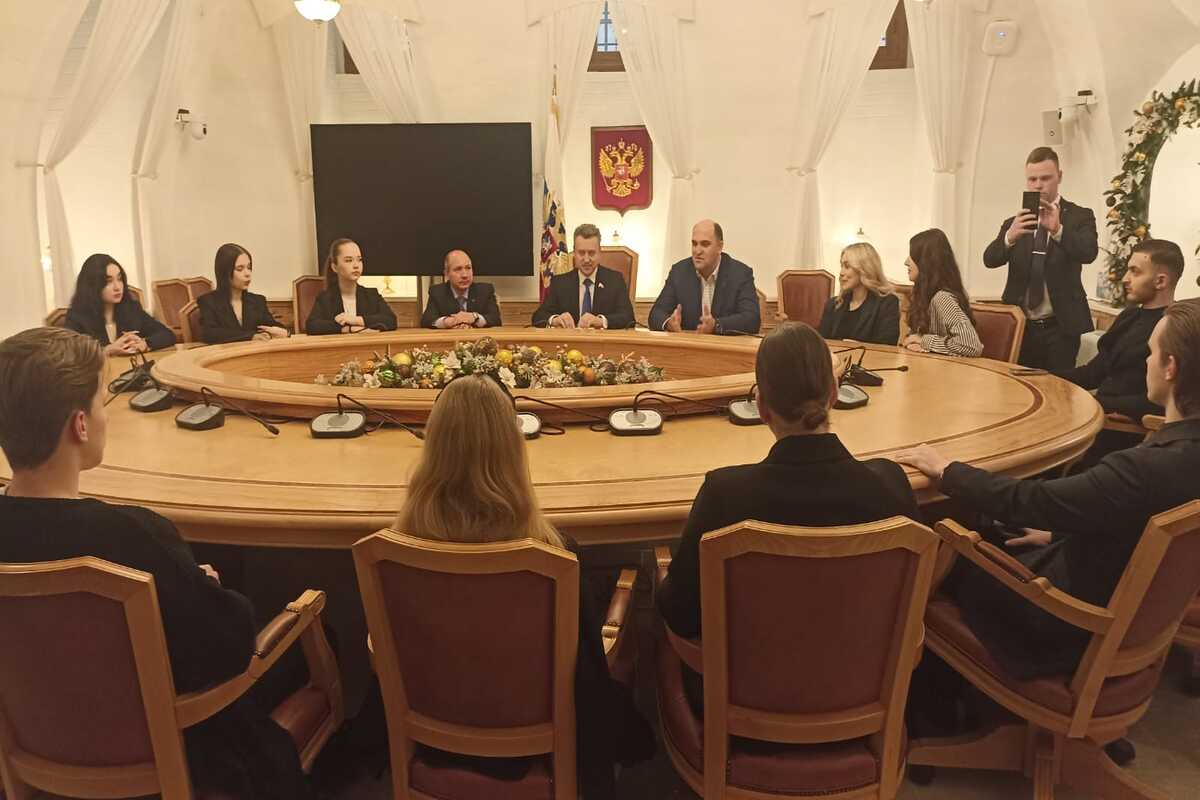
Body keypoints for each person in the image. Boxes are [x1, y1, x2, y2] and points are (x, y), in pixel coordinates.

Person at [0, 327, 314, 799]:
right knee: (310, 640)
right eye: (102, 402)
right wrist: (200, 588)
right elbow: (228, 649)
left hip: (33, 750)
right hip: (172, 755)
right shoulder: (135, 535)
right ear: (80, 425)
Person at [897, 298, 1200, 679]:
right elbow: (1128, 521)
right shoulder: (1178, 457)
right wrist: (1057, 532)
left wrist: (947, 470)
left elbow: (1030, 500)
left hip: (1064, 627)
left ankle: (928, 690)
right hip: (1126, 611)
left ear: (1170, 367)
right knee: (1000, 533)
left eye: (1151, 353)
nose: (1146, 362)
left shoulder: (1143, 469)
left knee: (940, 550)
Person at [395, 373, 654, 798]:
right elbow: (587, 680)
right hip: (537, 756)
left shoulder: (393, 555)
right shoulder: (555, 556)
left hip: (432, 746)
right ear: (513, 448)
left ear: (433, 445)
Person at [657, 322, 920, 642]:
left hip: (749, 674)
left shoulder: (724, 494)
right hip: (868, 670)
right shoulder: (890, 482)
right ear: (834, 394)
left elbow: (681, 615)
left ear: (761, 407)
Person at [1056, 238, 1183, 467]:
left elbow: (1159, 401)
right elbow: (1093, 373)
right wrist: (1044, 377)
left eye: (1135, 271)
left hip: (1126, 435)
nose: (1125, 278)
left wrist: (1092, 403)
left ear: (1160, 281)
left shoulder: (1174, 327)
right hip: (1097, 420)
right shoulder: (1129, 316)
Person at [983, 146, 1099, 371]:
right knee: (1016, 385)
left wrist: (1058, 230)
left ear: (1059, 177)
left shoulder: (1080, 216)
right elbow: (990, 259)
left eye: (1045, 178)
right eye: (1032, 179)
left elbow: (1088, 253)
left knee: (1058, 387)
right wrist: (1009, 237)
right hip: (1020, 325)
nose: (1038, 185)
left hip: (1062, 326)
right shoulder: (1016, 222)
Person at [649, 219, 761, 335]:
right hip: (687, 343)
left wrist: (715, 325)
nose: (697, 251)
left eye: (705, 244)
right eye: (694, 244)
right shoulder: (679, 272)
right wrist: (669, 323)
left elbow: (752, 319)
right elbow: (655, 313)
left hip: (723, 344)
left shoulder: (740, 274)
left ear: (720, 247)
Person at [64, 253, 176, 354]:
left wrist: (144, 344)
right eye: (108, 282)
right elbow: (70, 354)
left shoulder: (132, 309)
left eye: (119, 279)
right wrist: (107, 350)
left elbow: (167, 334)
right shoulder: (77, 317)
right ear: (92, 285)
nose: (117, 287)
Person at [532, 224, 634, 329]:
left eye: (591, 253)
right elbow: (538, 317)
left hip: (602, 339)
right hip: (571, 339)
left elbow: (629, 318)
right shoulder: (560, 283)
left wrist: (601, 321)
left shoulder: (615, 280)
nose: (586, 259)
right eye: (581, 253)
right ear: (574, 253)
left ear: (599, 253)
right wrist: (555, 320)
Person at [901, 229, 983, 357]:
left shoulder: (942, 298)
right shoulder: (921, 295)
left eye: (912, 255)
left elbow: (972, 346)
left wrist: (924, 340)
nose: (906, 262)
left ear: (926, 262)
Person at [197, 243, 289, 344]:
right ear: (224, 272)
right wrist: (251, 336)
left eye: (249, 267)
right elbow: (210, 334)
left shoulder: (257, 301)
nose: (247, 274)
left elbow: (272, 326)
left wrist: (284, 332)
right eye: (240, 269)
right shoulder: (208, 301)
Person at [305, 238, 397, 335]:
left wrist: (355, 320)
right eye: (349, 260)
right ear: (334, 267)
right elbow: (312, 326)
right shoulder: (325, 298)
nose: (356, 265)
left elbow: (391, 320)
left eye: (359, 260)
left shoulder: (371, 295)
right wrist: (348, 329)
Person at [817, 242, 901, 345]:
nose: (841, 273)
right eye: (841, 266)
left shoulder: (887, 303)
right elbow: (821, 343)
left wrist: (858, 347)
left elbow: (888, 344)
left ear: (865, 269)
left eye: (847, 267)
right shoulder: (833, 304)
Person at [418, 249, 502, 329]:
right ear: (446, 273)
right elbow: (426, 321)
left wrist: (474, 317)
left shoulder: (485, 291)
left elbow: (496, 320)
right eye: (458, 269)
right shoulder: (437, 292)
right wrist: (446, 322)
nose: (465, 275)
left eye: (468, 268)